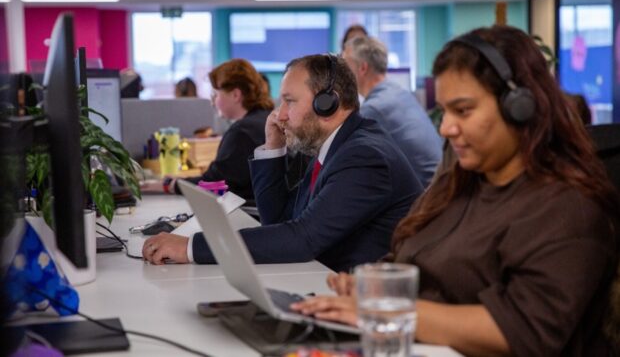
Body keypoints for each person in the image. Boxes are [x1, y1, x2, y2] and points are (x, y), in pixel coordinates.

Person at [291, 26, 619, 356]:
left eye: (463, 110)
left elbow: (524, 331)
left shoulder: (566, 207)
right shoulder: (462, 183)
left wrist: (390, 310)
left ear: (519, 107)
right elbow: (413, 259)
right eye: (445, 110)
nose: (446, 127)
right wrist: (372, 286)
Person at [143, 54, 423, 271]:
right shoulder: (334, 146)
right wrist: (273, 148)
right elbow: (278, 221)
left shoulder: (364, 157)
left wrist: (191, 248)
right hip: (322, 277)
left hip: (362, 297)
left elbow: (302, 239)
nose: (280, 115)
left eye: (290, 101)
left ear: (327, 104)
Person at [141, 58, 273, 202]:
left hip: (247, 216)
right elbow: (222, 179)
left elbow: (215, 185)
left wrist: (171, 185)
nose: (212, 101)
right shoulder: (265, 119)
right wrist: (183, 179)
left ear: (235, 95)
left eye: (216, 94)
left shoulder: (242, 132)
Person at [343, 36, 442, 187]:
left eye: (345, 64)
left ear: (362, 68)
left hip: (428, 198)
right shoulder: (399, 93)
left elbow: (346, 158)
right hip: (439, 185)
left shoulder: (374, 109)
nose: (341, 72)